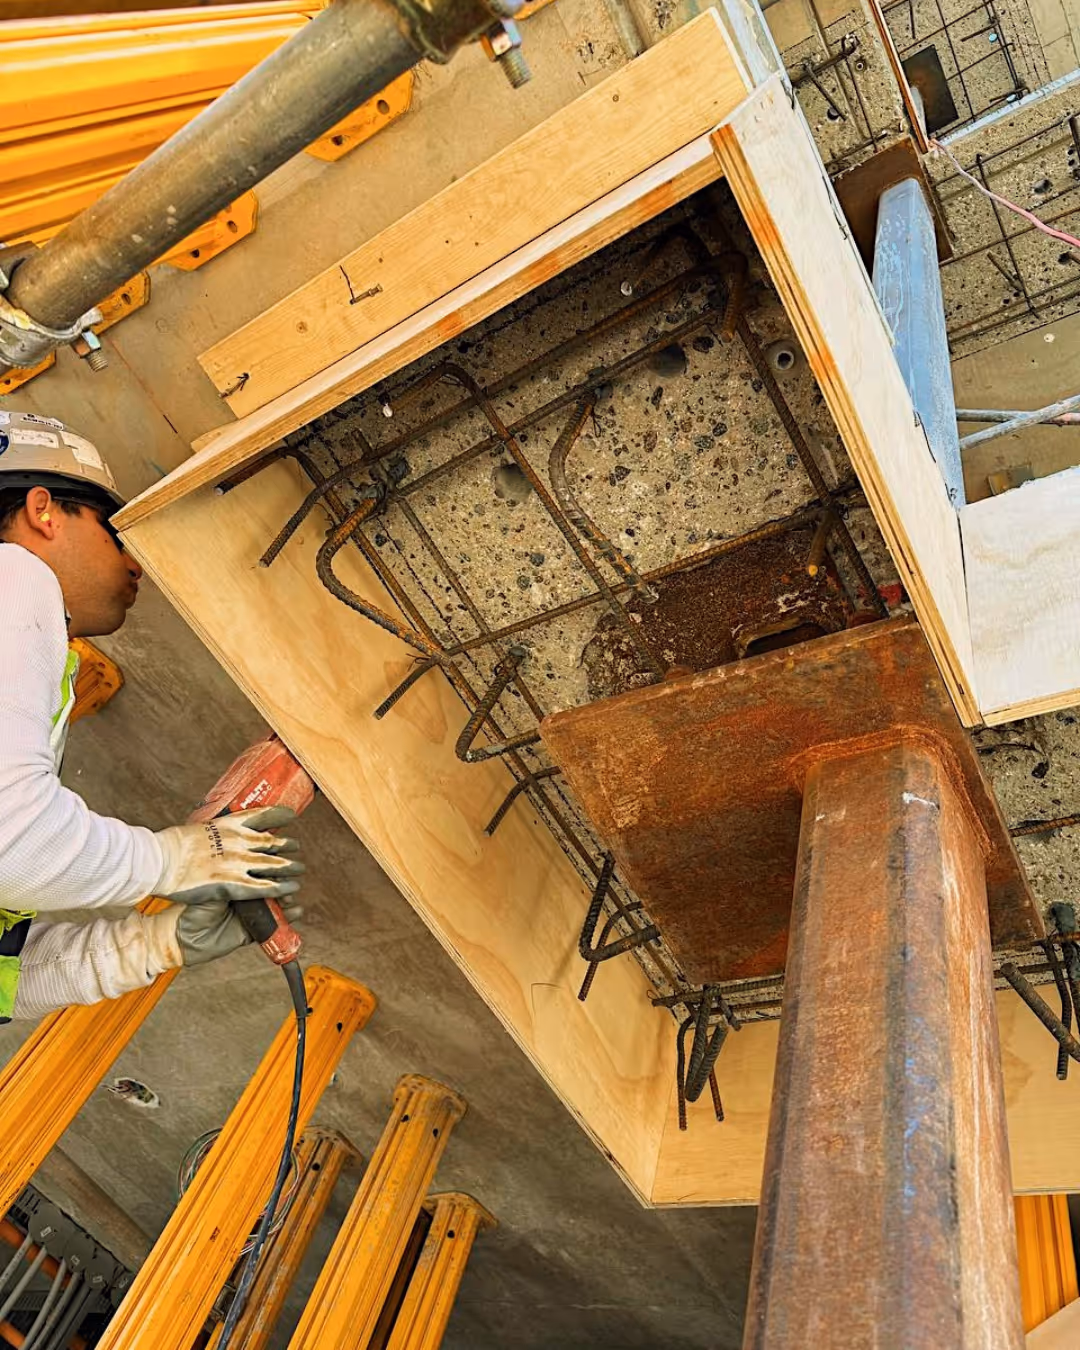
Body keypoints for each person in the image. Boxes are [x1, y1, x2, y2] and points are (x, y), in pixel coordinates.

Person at [0, 409, 304, 1022]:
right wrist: (170, 862)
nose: (135, 563)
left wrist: (150, 943)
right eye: (117, 534)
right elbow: (10, 841)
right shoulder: (12, 576)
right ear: (44, 511)